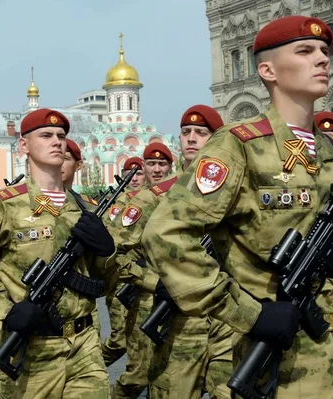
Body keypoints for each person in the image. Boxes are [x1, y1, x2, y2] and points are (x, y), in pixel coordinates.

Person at [142, 16, 333, 397]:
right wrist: (248, 315)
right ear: (267, 70)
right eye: (305, 51)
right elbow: (167, 233)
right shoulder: (237, 146)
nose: (322, 59)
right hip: (290, 355)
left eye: (324, 51)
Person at [0, 108, 116, 399]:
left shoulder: (86, 208)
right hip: (34, 346)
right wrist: (4, 310)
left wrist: (107, 252)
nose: (56, 141)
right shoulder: (5, 204)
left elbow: (105, 283)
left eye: (61, 136)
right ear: (24, 146)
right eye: (46, 135)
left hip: (84, 346)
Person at [133, 106, 233, 399]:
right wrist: (156, 282)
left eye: (201, 133)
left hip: (227, 317)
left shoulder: (236, 188)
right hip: (179, 321)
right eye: (186, 132)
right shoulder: (157, 194)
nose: (192, 138)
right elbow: (116, 254)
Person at [110, 142, 175, 398]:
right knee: (138, 374)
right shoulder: (138, 204)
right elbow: (116, 250)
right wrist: (148, 280)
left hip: (183, 295)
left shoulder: (180, 196)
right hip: (147, 299)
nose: (157, 170)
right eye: (151, 164)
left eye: (162, 164)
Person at [101, 156, 145, 367]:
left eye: (139, 174)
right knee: (119, 341)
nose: (134, 179)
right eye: (130, 174)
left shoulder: (152, 200)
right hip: (122, 279)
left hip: (146, 278)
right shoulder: (117, 203)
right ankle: (94, 368)